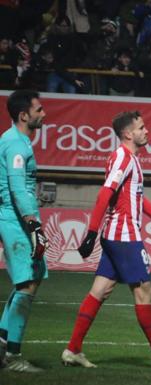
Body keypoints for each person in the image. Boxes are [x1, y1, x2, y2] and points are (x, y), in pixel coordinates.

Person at [61, 111, 151, 369]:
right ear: (127, 133)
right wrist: (90, 233)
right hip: (124, 237)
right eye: (142, 128)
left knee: (100, 290)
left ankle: (73, 349)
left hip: (115, 236)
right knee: (145, 292)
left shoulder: (127, 158)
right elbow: (105, 194)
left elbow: (136, 198)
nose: (147, 131)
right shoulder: (123, 157)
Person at [0, 90, 48, 372]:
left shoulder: (14, 141)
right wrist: (33, 225)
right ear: (24, 115)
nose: (43, 114)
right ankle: (13, 356)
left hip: (15, 217)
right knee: (28, 283)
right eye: (39, 109)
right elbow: (18, 187)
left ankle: (3, 347)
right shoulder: (17, 146)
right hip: (17, 219)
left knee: (28, 281)